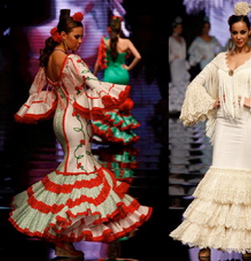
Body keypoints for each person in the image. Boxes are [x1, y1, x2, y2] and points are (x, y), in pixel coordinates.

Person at [8, 9, 152, 259]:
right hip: (75, 120)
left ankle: (63, 240)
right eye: (76, 36)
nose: (80, 41)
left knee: (73, 172)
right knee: (82, 173)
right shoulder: (72, 60)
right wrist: (114, 93)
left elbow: (35, 89)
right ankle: (67, 235)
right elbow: (93, 83)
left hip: (61, 120)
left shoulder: (50, 59)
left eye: (81, 36)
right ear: (62, 35)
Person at [169, 2, 251, 261]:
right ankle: (205, 241)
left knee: (245, 180)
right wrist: (210, 102)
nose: (238, 37)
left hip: (247, 125)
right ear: (230, 33)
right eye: (234, 32)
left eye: (242, 32)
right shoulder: (219, 59)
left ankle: (247, 243)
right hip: (225, 124)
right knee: (218, 180)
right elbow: (196, 84)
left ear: (249, 32)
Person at [91, 15, 141, 145]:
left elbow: (98, 62)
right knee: (121, 107)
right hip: (123, 76)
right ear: (120, 29)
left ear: (110, 29)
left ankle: (109, 136)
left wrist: (93, 77)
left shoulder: (105, 42)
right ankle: (121, 136)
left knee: (109, 107)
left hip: (109, 77)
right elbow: (138, 57)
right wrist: (128, 67)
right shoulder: (127, 42)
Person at [168, 16, 190, 114]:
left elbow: (184, 52)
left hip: (182, 63)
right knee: (176, 84)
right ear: (174, 28)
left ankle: (184, 106)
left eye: (181, 28)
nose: (179, 29)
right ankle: (175, 107)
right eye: (178, 27)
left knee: (184, 83)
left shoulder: (182, 39)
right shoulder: (170, 39)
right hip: (175, 64)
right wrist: (173, 55)